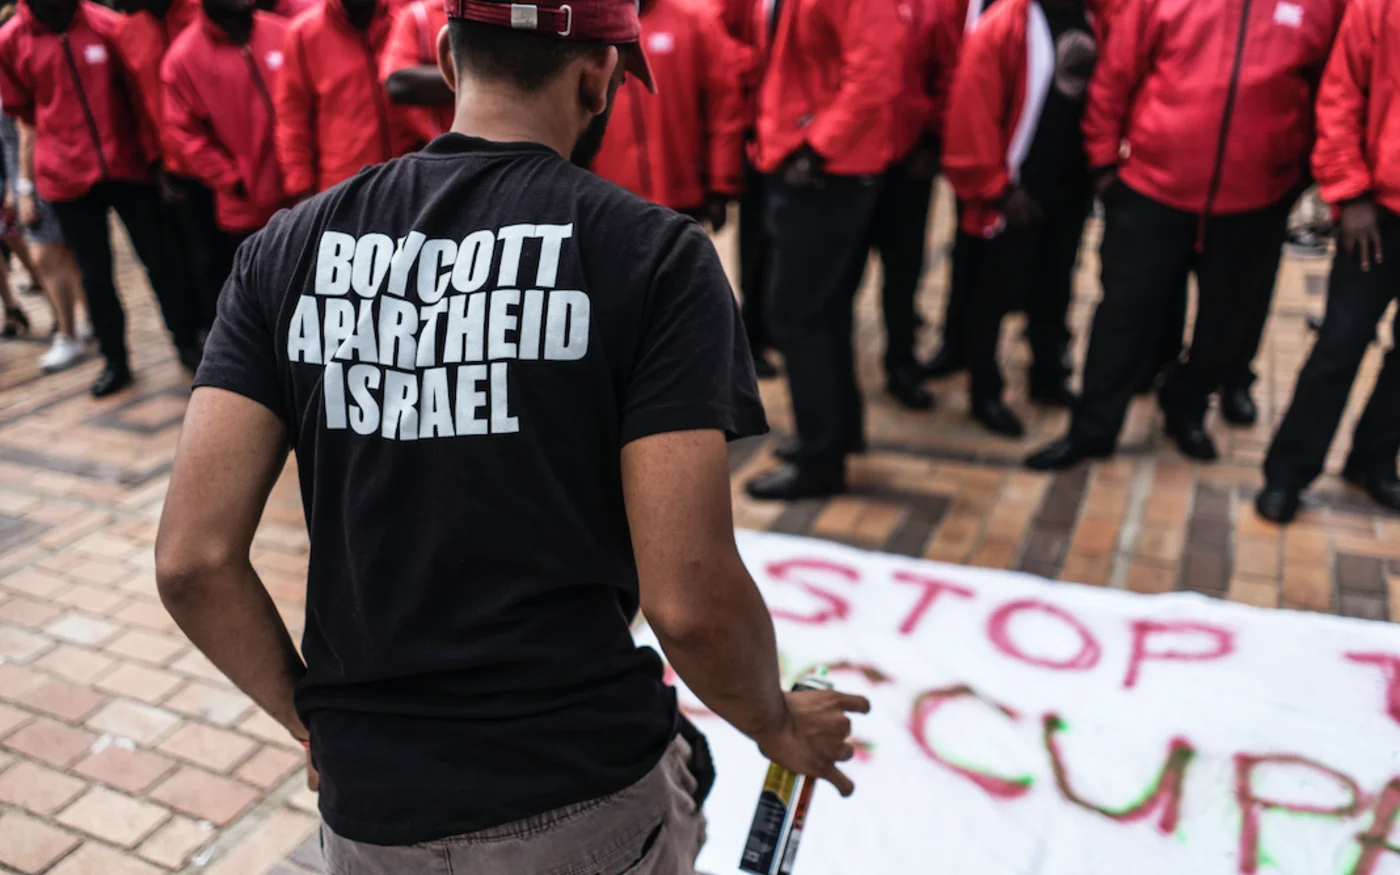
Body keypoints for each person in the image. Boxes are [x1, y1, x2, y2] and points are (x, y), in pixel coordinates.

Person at [154, 0, 869, 871]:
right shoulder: (655, 258)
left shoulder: (287, 249)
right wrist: (777, 721)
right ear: (599, 76)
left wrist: (322, 722)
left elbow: (191, 561)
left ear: (449, 60)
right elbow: (688, 596)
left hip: (376, 810)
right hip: (578, 794)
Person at [1025, 0, 1346, 470]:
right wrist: (1103, 164)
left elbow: (1329, 94)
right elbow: (1116, 75)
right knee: (1123, 315)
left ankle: (1187, 408)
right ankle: (1093, 428)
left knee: (1225, 325)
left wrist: (1296, 176)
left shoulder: (1322, 7)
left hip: (1253, 201)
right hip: (1152, 191)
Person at [743, 0, 905, 500]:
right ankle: (836, 433)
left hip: (824, 172)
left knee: (795, 315)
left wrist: (815, 149)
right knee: (823, 309)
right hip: (807, 161)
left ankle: (820, 460)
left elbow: (877, 70)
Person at [0, 0, 202, 396]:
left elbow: (137, 94)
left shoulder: (105, 25)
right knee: (95, 274)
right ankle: (116, 360)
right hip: (67, 174)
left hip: (128, 165)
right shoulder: (12, 41)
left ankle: (185, 343)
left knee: (160, 262)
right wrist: (26, 182)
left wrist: (154, 158)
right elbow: (22, 108)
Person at [1256, 0, 1400, 524]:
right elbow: (1340, 95)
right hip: (1379, 213)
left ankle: (1374, 461)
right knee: (1340, 344)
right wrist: (1351, 193)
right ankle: (1288, 472)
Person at [943, 0, 1094, 438]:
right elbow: (972, 110)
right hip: (1015, 189)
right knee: (990, 294)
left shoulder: (1098, 17)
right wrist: (996, 188)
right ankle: (985, 391)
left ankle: (1047, 376)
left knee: (1056, 284)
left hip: (1070, 188)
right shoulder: (1006, 24)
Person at [162, 0, 288, 313]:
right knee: (264, 300)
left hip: (305, 195)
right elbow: (185, 134)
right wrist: (232, 179)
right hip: (245, 208)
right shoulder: (183, 58)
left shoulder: (284, 32)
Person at [591, 0, 745, 227]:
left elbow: (724, 104)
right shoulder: (589, 24)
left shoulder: (696, 19)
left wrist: (721, 184)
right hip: (609, 199)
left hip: (681, 195)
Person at [864, 0, 942, 411]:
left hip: (907, 165)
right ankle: (832, 381)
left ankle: (901, 365)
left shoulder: (931, 8)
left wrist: (932, 142)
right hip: (852, 164)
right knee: (840, 280)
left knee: (903, 274)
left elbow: (946, 71)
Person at [273, 0, 416, 199]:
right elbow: (292, 119)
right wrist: (301, 188)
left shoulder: (403, 21)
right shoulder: (304, 34)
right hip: (345, 188)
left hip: (409, 178)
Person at [714, 0, 773, 377]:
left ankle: (765, 324)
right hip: (755, 127)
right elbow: (716, 41)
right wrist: (758, 62)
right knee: (754, 241)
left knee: (773, 243)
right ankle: (750, 330)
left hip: (778, 131)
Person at [6, 115, 85, 371]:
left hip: (37, 173)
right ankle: (77, 325)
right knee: (59, 254)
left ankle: (69, 331)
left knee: (48, 255)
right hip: (22, 173)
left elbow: (28, 129)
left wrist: (23, 187)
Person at [380, 0, 452, 146]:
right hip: (438, 151)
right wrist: (475, 76)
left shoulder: (504, 13)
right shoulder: (420, 15)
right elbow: (397, 83)